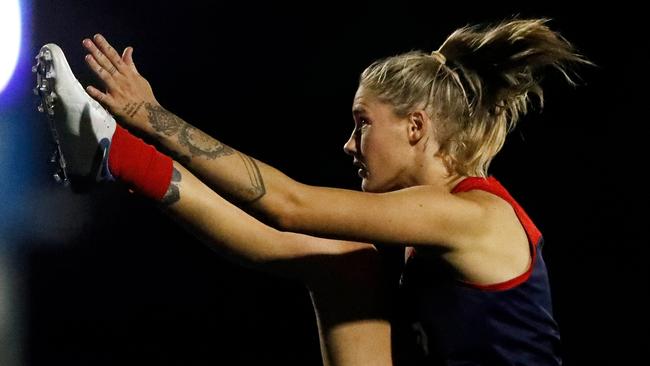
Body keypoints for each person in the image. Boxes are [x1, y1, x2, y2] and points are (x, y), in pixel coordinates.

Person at [35, 18, 590, 365]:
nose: (350, 145)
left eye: (362, 123)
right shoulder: (428, 219)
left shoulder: (472, 215)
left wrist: (153, 118)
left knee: (336, 251)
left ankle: (115, 151)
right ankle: (110, 155)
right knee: (343, 262)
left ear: (416, 127)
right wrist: (133, 152)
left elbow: (287, 204)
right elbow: (270, 239)